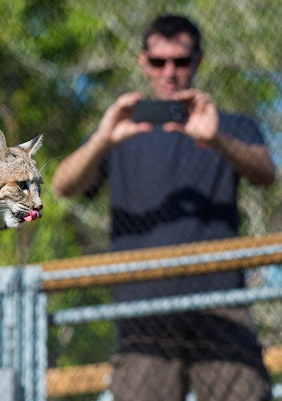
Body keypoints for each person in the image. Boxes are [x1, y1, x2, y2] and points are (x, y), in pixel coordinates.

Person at [51, 14, 275, 401]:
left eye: (180, 62)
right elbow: (62, 185)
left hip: (220, 303)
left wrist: (216, 137)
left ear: (198, 62)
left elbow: (266, 173)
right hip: (144, 312)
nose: (169, 72)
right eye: (159, 62)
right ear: (144, 63)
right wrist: (104, 139)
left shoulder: (231, 125)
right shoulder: (121, 132)